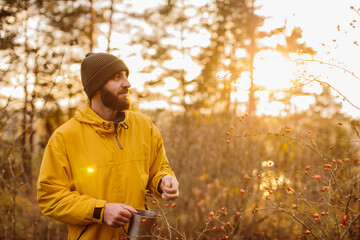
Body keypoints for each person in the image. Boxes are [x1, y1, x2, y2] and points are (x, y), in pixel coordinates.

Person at [37, 52, 179, 239]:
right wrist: (100, 211)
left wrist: (164, 181)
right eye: (116, 77)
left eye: (126, 76)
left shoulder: (145, 126)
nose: (127, 83)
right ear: (96, 87)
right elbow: (50, 197)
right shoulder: (64, 137)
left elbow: (158, 169)